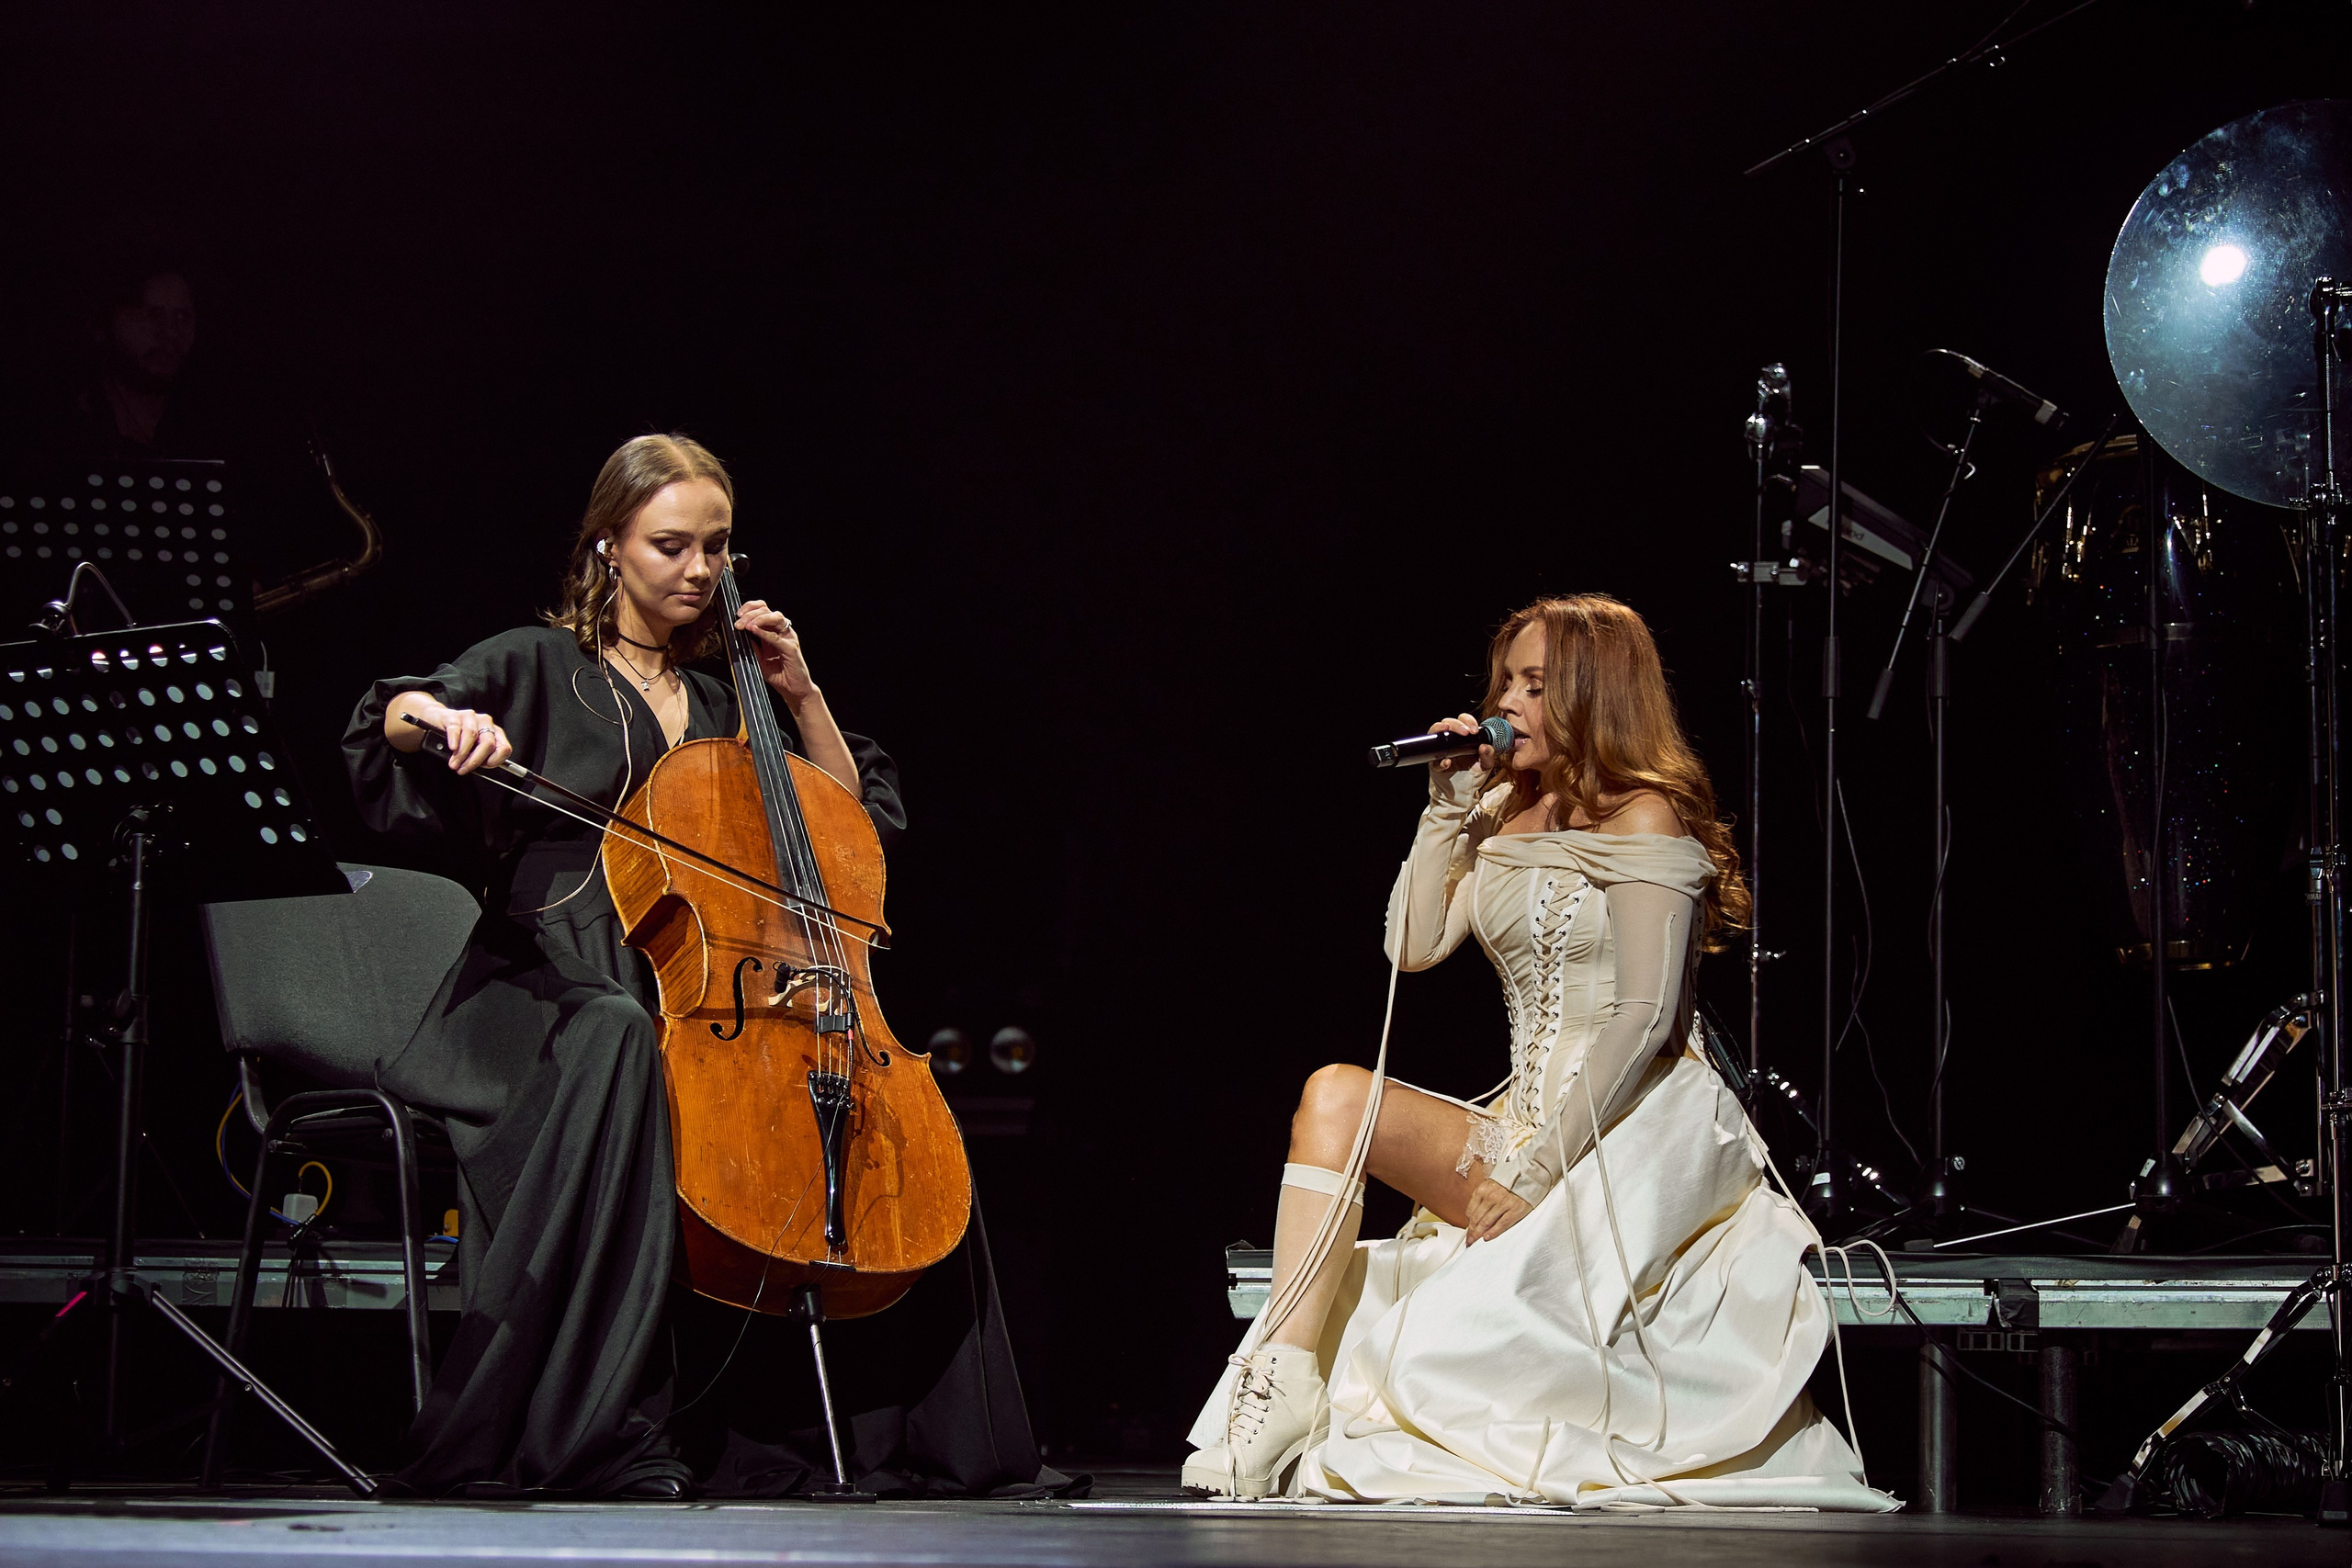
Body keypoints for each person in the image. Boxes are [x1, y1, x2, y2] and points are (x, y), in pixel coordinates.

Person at [1181, 594, 1898, 1509]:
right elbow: (1411, 945)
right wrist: (1445, 810)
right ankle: (1279, 1383)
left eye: (1534, 684)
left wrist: (1534, 1171)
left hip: (1631, 1124)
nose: (1507, 703)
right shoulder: (1496, 810)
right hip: (1522, 1116)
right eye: (1504, 682)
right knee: (1334, 1094)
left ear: (1597, 696)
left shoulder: (1647, 818)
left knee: (1463, 1328)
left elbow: (1642, 1019)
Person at [341, 433, 909, 1496]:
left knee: (860, 1096)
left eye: (717, 546)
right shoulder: (536, 661)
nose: (699, 570)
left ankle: (883, 1423)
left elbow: (852, 829)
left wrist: (804, 694)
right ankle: (590, 1425)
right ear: (608, 546)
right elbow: (394, 712)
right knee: (612, 1032)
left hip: (699, 988)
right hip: (539, 983)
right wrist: (446, 719)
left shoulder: (735, 697)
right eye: (669, 545)